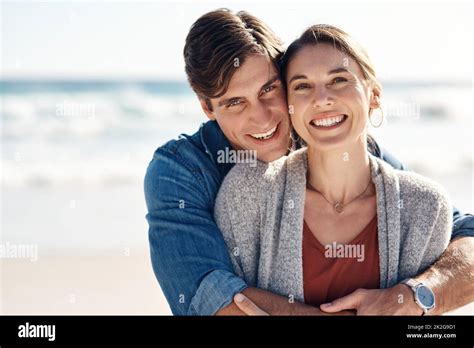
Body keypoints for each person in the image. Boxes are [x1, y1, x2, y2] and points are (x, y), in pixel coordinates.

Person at [144, 9, 474, 316]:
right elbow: (210, 298)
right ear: (207, 109)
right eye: (234, 102)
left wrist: (417, 294)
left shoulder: (330, 136)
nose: (261, 119)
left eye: (268, 90)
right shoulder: (181, 170)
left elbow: (461, 232)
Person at [214, 24, 454, 315]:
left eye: (339, 80)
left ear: (373, 95)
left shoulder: (424, 207)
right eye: (302, 86)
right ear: (289, 104)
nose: (321, 99)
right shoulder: (247, 192)